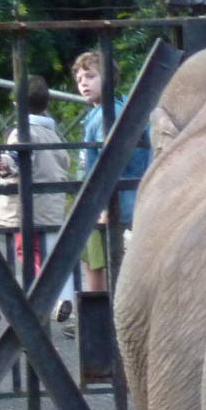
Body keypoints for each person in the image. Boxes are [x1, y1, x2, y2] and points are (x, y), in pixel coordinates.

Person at [0, 75, 72, 317]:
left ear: (16, 105)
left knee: (25, 254)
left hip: (25, 208)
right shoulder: (54, 134)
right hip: (50, 207)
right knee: (44, 255)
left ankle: (50, 297)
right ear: (46, 104)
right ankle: (60, 296)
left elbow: (13, 162)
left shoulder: (22, 132)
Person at [73, 49, 150, 296]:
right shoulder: (110, 109)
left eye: (91, 76)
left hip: (111, 201)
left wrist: (104, 206)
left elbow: (111, 163)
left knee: (100, 261)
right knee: (100, 259)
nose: (83, 82)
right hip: (115, 200)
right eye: (79, 79)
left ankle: (101, 314)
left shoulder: (110, 113)